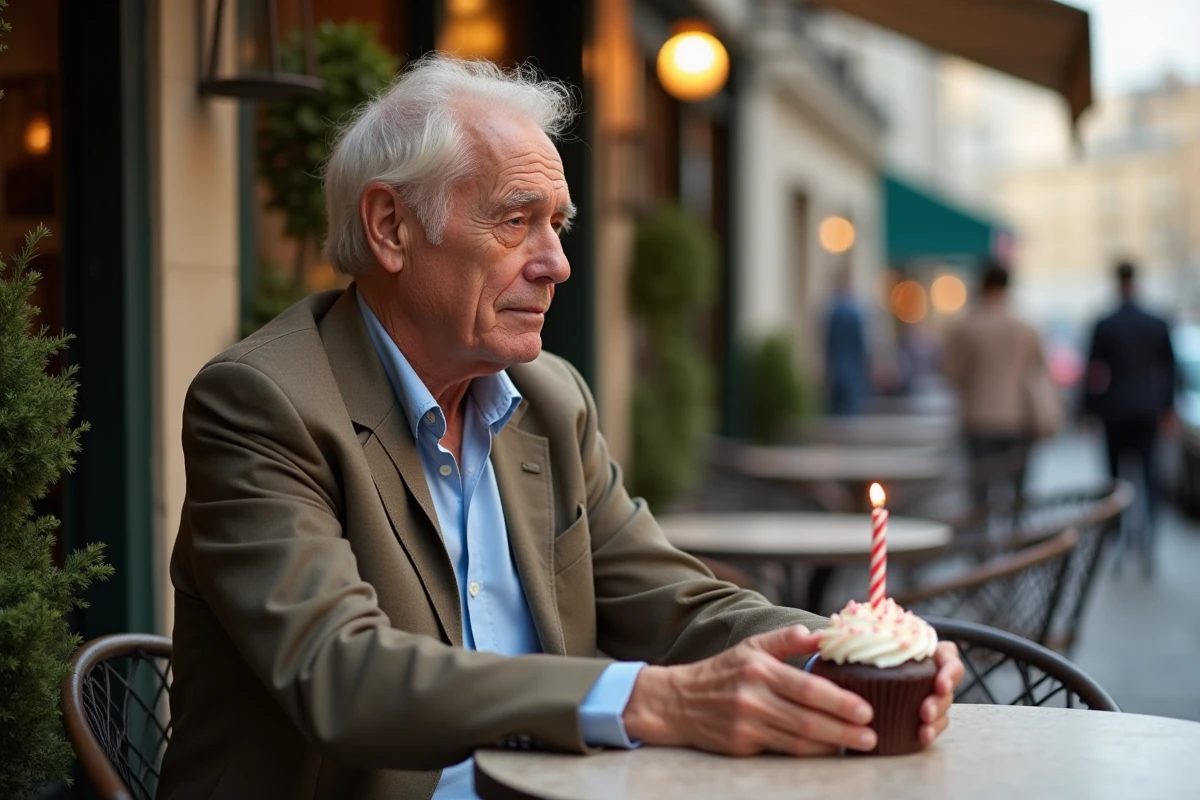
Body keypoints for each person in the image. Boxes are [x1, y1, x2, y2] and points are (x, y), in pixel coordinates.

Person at [158, 57, 961, 800]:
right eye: (517, 221)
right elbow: (339, 672)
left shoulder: (548, 398)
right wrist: (647, 699)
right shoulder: (263, 403)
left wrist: (859, 653)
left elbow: (669, 599)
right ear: (391, 228)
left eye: (559, 225)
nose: (556, 262)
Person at [1083, 261, 1177, 574]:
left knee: (1115, 482)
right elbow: (1169, 369)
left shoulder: (1106, 323)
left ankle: (1118, 540)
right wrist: (1167, 407)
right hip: (1147, 409)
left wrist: (1089, 410)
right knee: (1149, 478)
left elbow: (1093, 371)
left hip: (1115, 411)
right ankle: (1148, 540)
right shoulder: (1156, 321)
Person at [942, 263, 1049, 512]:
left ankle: (983, 549)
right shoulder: (1026, 327)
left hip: (980, 419)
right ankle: (1016, 542)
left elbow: (951, 373)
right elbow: (1039, 369)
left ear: (983, 286)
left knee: (980, 495)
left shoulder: (967, 327)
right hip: (1019, 419)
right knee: (1017, 493)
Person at [824, 269, 871, 415]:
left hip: (837, 370)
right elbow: (862, 345)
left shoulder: (833, 312)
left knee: (836, 413)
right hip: (853, 371)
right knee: (851, 412)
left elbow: (828, 344)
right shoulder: (855, 313)